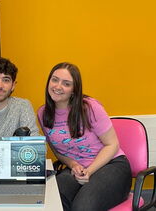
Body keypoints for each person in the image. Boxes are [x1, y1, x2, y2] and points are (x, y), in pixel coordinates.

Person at [37, 62, 132, 211]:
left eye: (66, 83)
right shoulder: (43, 114)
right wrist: (74, 165)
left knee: (82, 207)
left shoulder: (89, 107)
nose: (58, 86)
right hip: (77, 168)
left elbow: (112, 144)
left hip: (111, 165)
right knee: (52, 200)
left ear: (74, 90)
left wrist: (90, 170)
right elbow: (58, 151)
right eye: (54, 80)